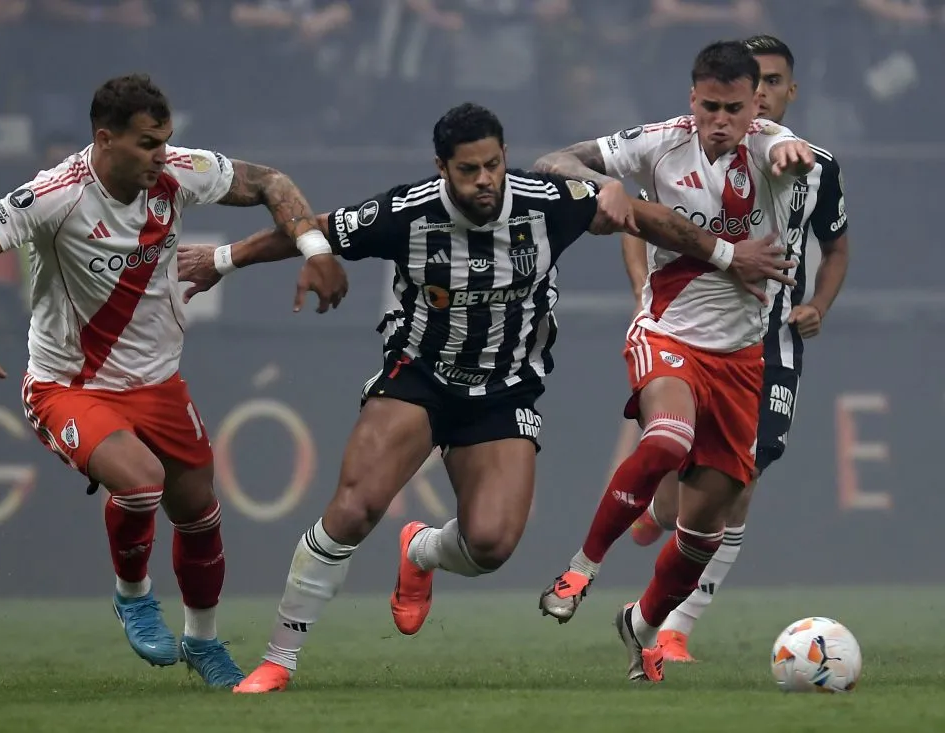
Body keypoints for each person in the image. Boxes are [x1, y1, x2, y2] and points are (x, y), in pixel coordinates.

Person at [176, 101, 796, 693]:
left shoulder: (546, 203)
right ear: (442, 168)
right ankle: (278, 660)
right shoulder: (406, 213)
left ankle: (420, 548)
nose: (485, 180)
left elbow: (645, 218)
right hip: (420, 377)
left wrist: (723, 253)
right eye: (468, 169)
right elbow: (312, 230)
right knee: (355, 506)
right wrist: (223, 259)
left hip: (504, 392)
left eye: (493, 164)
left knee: (491, 546)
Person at [0, 73, 348, 688]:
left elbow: (269, 182)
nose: (162, 155)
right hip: (67, 385)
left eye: (166, 140)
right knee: (142, 482)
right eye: (149, 143)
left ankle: (203, 645)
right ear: (105, 139)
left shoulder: (177, 172)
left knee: (200, 513)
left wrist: (314, 248)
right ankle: (134, 595)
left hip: (158, 384)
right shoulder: (56, 195)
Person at [533, 40, 815, 683]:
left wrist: (789, 152)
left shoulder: (772, 145)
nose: (722, 120)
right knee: (665, 439)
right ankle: (581, 567)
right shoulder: (659, 141)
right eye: (710, 106)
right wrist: (601, 180)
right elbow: (551, 161)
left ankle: (641, 624)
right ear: (692, 99)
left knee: (703, 531)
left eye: (735, 108)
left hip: (741, 358)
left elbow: (783, 149)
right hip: (668, 331)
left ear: (755, 106)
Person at [623, 34, 850, 664]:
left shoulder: (814, 166)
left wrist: (817, 306)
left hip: (771, 346)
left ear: (783, 93)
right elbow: (640, 218)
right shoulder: (685, 152)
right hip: (692, 336)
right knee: (681, 503)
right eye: (759, 85)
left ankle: (675, 626)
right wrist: (643, 290)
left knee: (742, 479)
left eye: (775, 84)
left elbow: (835, 247)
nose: (766, 97)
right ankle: (658, 507)